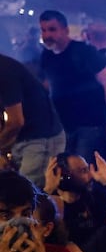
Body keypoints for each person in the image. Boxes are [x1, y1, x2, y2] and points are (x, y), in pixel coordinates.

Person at [38, 10, 106, 160]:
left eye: (52, 29)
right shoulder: (46, 56)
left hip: (89, 125)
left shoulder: (85, 51)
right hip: (62, 127)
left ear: (65, 30)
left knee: (82, 168)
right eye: (43, 30)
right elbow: (48, 85)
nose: (47, 35)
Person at [0, 53, 66, 189]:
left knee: (28, 194)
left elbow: (16, 121)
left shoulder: (4, 70)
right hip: (21, 139)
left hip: (40, 140)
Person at [44, 151, 106, 248]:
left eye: (87, 169)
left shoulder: (95, 195)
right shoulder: (52, 202)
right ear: (65, 176)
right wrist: (48, 190)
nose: (90, 175)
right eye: (83, 171)